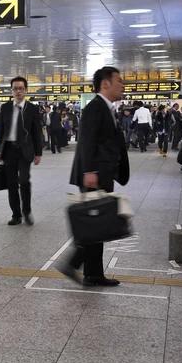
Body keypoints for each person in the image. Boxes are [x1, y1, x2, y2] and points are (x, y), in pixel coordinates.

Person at [60, 66, 129, 287]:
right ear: (105, 83)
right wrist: (89, 171)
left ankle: (93, 274)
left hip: (101, 173)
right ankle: (73, 264)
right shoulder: (95, 107)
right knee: (96, 224)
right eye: (119, 80)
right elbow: (87, 140)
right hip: (94, 175)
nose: (123, 85)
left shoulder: (106, 108)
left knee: (98, 223)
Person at [0, 76, 42, 226]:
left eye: (21, 88)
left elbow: (37, 132)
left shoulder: (32, 109)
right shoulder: (5, 108)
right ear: (11, 91)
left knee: (24, 181)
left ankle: (27, 212)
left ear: (26, 90)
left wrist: (38, 153)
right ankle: (16, 214)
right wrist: (0, 150)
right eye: (15, 88)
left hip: (25, 150)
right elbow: (1, 130)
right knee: (11, 184)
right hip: (9, 150)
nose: (18, 91)